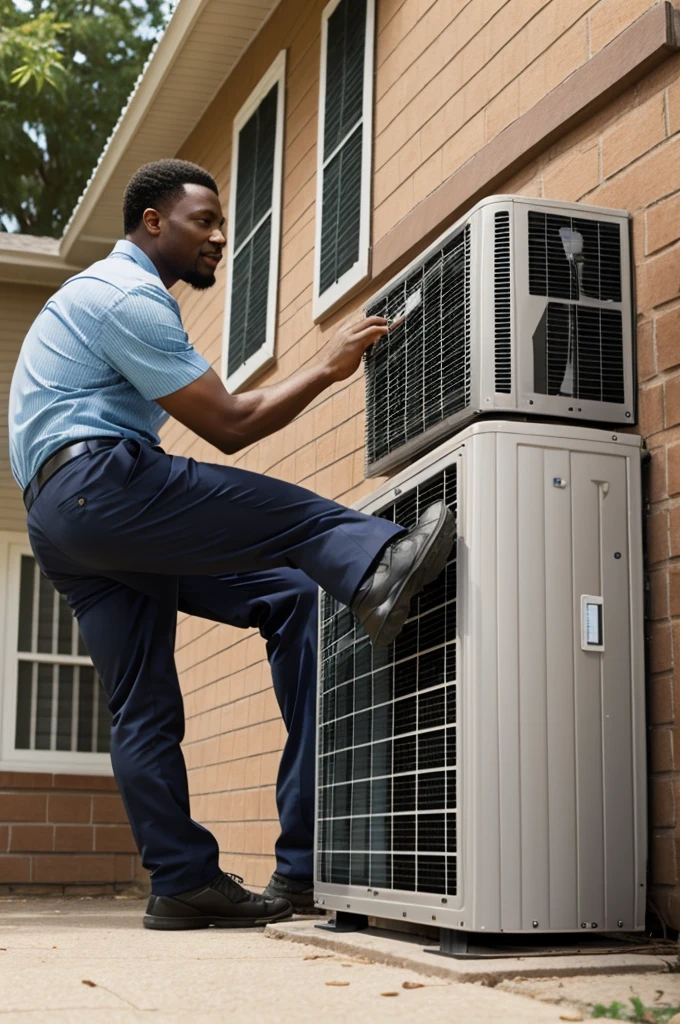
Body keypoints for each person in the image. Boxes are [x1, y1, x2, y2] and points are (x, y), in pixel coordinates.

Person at [8, 159, 455, 931]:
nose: (221, 237)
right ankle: (379, 565)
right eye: (204, 220)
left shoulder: (94, 297)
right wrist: (326, 366)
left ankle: (190, 882)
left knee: (199, 664)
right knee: (298, 520)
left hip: (62, 523)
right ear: (153, 221)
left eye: (222, 223)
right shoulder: (128, 295)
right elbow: (230, 423)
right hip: (103, 486)